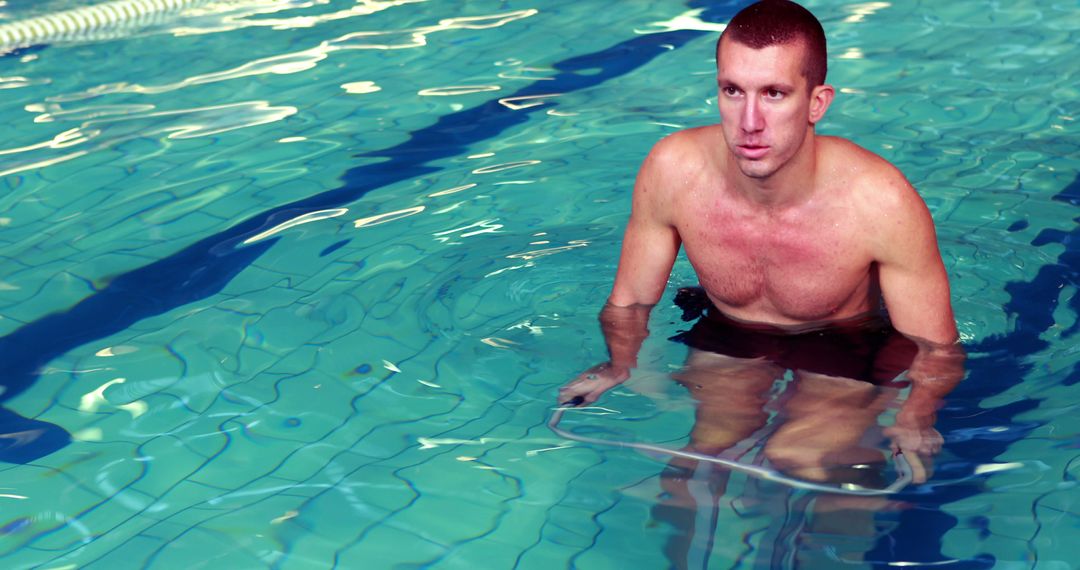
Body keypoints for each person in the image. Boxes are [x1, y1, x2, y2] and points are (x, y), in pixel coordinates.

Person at [559, 0, 965, 487]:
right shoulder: (674, 170)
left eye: (774, 93)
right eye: (733, 91)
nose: (750, 121)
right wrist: (618, 365)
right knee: (694, 468)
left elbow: (936, 348)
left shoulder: (880, 203)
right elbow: (629, 303)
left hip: (841, 345)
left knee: (807, 461)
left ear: (818, 103)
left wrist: (915, 416)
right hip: (730, 332)